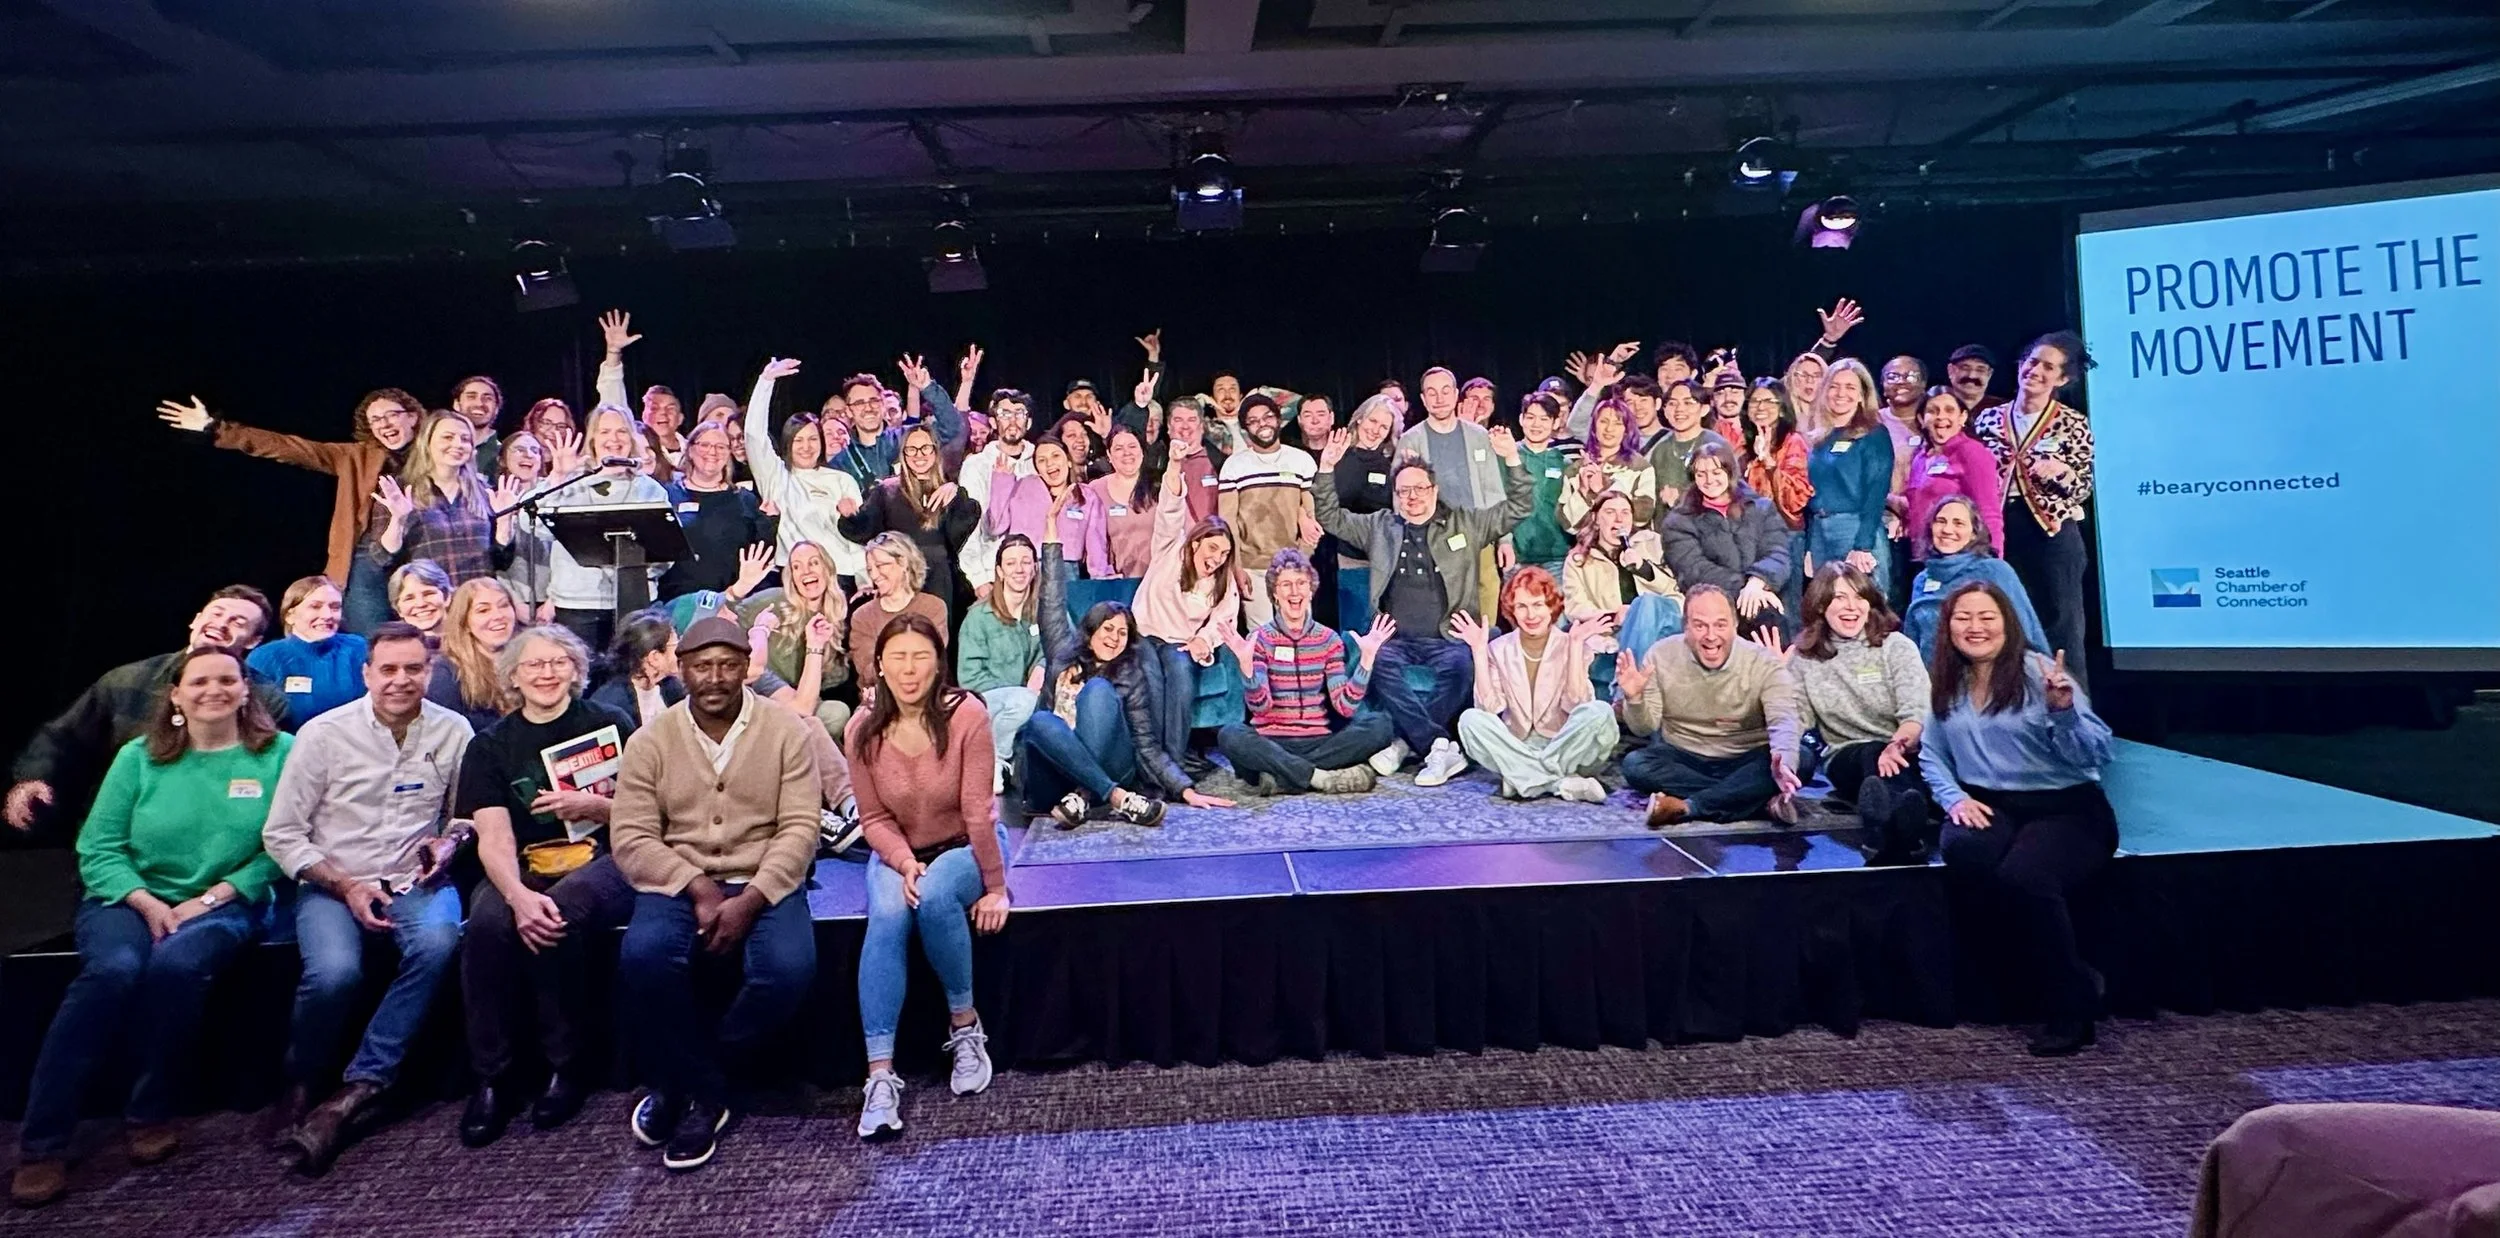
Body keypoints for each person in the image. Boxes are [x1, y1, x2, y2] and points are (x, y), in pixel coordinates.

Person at [9, 647, 290, 1208]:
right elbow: (99, 846)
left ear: (245, 691)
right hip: (125, 897)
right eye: (200, 681)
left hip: (226, 902)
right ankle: (43, 1142)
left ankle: (150, 1110)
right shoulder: (139, 756)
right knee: (111, 972)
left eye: (227, 680)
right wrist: (146, 902)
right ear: (178, 697)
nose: (215, 689)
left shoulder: (280, 753)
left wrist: (208, 899)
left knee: (177, 967)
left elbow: (280, 846)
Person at [259, 623, 473, 1176]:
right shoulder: (324, 734)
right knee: (334, 974)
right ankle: (301, 1082)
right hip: (334, 880)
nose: (401, 680)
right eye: (389, 669)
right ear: (367, 673)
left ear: (430, 671)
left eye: (413, 669)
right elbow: (282, 834)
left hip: (413, 880)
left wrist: (448, 841)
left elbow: (463, 817)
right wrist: (347, 886)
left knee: (438, 942)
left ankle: (359, 1087)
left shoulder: (453, 731)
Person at [610, 616, 822, 1172]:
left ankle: (694, 1076)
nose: (715, 678)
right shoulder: (650, 740)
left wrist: (751, 898)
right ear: (681, 670)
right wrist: (697, 885)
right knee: (645, 957)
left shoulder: (786, 731)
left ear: (745, 668)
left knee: (788, 970)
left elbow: (800, 828)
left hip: (764, 877)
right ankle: (707, 1091)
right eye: (702, 666)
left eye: (728, 664)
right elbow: (631, 836)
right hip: (679, 876)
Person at [451, 625, 639, 1148]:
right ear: (513, 676)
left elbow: (652, 811)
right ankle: (494, 1076)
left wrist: (598, 807)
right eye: (533, 665)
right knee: (488, 922)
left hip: (606, 855)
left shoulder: (610, 723)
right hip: (523, 861)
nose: (547, 673)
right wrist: (516, 895)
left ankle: (566, 1066)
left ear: (577, 670)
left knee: (558, 913)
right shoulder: (490, 746)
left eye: (558, 662)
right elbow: (492, 836)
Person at [1921, 580, 2114, 1056]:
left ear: (2009, 622)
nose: (1975, 627)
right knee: (1966, 851)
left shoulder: (2041, 674)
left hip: (2067, 805)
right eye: (1963, 618)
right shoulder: (1947, 680)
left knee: (2024, 878)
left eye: (1987, 616)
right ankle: (2010, 987)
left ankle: (2074, 1002)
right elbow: (1932, 752)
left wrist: (2064, 713)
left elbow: (2097, 753)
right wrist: (1953, 799)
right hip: (1993, 802)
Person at [849, 613, 1010, 1140]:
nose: (909, 668)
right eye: (898, 657)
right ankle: (879, 1077)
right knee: (890, 913)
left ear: (939, 661)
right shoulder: (861, 730)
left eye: (921, 655)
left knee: (938, 894)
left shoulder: (967, 715)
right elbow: (872, 819)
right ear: (879, 665)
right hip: (900, 851)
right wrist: (901, 861)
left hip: (967, 844)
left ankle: (965, 1027)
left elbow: (975, 809)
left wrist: (995, 887)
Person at [1313, 425, 1534, 784]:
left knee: (1463, 666)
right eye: (1403, 491)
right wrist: (1326, 469)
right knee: (1378, 663)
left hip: (1448, 637)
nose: (1411, 497)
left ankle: (1403, 744)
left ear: (1434, 490)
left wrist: (1511, 458)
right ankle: (1438, 745)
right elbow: (1330, 517)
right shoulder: (1380, 526)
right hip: (1395, 639)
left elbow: (1520, 506)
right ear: (1395, 496)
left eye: (1419, 489)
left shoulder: (1466, 523)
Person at [9, 586, 286, 838]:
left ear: (253, 641)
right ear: (196, 620)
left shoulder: (268, 698)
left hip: (219, 835)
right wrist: (34, 777)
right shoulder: (127, 680)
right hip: (125, 832)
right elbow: (65, 736)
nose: (222, 623)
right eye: (217, 613)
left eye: (238, 622)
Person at [1019, 518, 1231, 826]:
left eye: (1122, 634)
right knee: (1040, 722)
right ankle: (1115, 797)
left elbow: (1146, 744)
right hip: (1053, 780)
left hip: (1108, 766)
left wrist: (1185, 790)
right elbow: (1051, 600)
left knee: (1098, 691)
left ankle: (1087, 795)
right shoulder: (1063, 655)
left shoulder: (1129, 676)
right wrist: (1050, 528)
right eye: (1108, 629)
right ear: (1090, 632)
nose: (1114, 638)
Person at [157, 390, 420, 632]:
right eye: (375, 420)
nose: (384, 424)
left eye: (391, 415)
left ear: (413, 416)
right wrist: (216, 428)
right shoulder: (355, 457)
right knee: (373, 637)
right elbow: (288, 447)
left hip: (426, 546)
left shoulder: (438, 448)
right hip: (368, 557)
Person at [1780, 564, 1934, 859]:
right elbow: (1795, 719)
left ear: (1870, 603)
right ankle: (1908, 828)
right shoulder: (1803, 659)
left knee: (1892, 767)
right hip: (1847, 757)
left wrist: (1897, 745)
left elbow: (1917, 712)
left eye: (1859, 597)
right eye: (1839, 598)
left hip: (1905, 748)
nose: (1851, 607)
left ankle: (1884, 828)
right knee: (1871, 754)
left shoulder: (1896, 647)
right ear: (1821, 605)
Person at [1971, 331, 2097, 689]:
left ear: (2063, 378)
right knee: (2008, 620)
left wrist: (2062, 472)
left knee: (2062, 624)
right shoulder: (1990, 419)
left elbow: (2083, 486)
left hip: (2052, 531)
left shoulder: (2072, 422)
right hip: (2002, 528)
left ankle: (2073, 715)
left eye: (2049, 367)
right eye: (2032, 362)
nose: (2036, 371)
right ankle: (2015, 712)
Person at [1615, 587, 1801, 827]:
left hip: (1747, 757)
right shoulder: (1660, 655)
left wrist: (1784, 764)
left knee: (1800, 761)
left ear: (1735, 625)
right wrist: (1635, 699)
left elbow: (1783, 721)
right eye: (1700, 625)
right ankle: (1755, 797)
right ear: (1686, 627)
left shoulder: (1764, 662)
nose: (1711, 636)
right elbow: (1644, 728)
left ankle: (1688, 807)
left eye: (1720, 625)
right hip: (1685, 757)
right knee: (1636, 765)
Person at [1216, 550, 1395, 795]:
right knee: (1231, 734)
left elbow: (1345, 707)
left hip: (1319, 742)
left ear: (1310, 590)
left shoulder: (1328, 639)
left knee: (1381, 725)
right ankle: (1319, 777)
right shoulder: (1260, 639)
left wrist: (1366, 660)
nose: (1294, 592)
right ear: (1275, 594)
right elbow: (1261, 708)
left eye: (1301, 583)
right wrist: (1247, 668)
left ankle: (1284, 777)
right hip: (1270, 741)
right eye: (1286, 585)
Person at [1451, 568, 1617, 804]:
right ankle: (1559, 783)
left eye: (1538, 604)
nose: (1531, 614)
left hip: (1567, 745)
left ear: (1551, 607)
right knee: (1470, 720)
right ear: (1512, 611)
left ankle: (1524, 778)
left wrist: (1575, 646)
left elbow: (1577, 705)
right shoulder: (1498, 648)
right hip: (1518, 745)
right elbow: (1489, 708)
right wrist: (1479, 651)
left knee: (1600, 712)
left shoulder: (1573, 642)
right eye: (1522, 606)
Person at [1135, 467, 1248, 775]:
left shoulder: (1222, 581)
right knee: (1152, 678)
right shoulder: (1170, 549)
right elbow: (1170, 510)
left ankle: (1173, 759)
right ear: (1196, 543)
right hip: (1143, 635)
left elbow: (1225, 620)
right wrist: (1174, 464)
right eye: (1213, 548)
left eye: (1225, 553)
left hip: (1177, 641)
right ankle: (1153, 758)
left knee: (1181, 672)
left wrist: (1202, 640)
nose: (1218, 558)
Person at [535, 407, 672, 649]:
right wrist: (557, 476)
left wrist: (637, 571)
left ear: (631, 438)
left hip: (634, 604)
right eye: (605, 431)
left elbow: (668, 550)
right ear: (593, 440)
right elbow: (537, 528)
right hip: (578, 605)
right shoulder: (571, 482)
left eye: (621, 431)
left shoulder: (649, 489)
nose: (614, 439)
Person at [743, 359, 868, 590]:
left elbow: (857, 540)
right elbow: (753, 436)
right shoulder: (775, 477)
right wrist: (766, 382)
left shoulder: (842, 480)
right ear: (787, 443)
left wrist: (863, 581)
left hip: (840, 577)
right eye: (798, 440)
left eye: (812, 439)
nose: (806, 446)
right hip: (793, 580)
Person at [839, 424, 981, 624]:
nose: (918, 455)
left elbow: (958, 536)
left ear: (935, 451)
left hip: (941, 581)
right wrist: (849, 516)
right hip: (900, 579)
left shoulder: (949, 491)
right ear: (903, 454)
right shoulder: (887, 491)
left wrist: (956, 497)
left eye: (925, 448)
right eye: (911, 449)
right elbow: (863, 530)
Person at [1660, 441, 1792, 640]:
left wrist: (1758, 581)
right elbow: (1695, 570)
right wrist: (1745, 589)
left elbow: (1777, 551)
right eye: (1701, 474)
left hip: (1760, 595)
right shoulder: (1679, 521)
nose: (1708, 480)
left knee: (1770, 620)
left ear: (1730, 472)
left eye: (1716, 472)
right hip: (1712, 603)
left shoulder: (1761, 508)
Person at [369, 411, 518, 586]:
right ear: (427, 443)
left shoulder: (486, 492)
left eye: (465, 439)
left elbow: (502, 562)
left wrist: (504, 522)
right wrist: (398, 521)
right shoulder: (400, 491)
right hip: (428, 601)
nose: (457, 444)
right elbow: (382, 559)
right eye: (448, 437)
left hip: (476, 603)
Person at [1903, 496, 2049, 661]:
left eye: (1958, 523)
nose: (1947, 530)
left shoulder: (1995, 571)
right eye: (1941, 521)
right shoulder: (1922, 580)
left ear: (1974, 533)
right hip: (1931, 680)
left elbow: (2026, 629)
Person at [1216, 394, 1317, 627]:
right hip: (1253, 568)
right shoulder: (1234, 466)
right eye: (1253, 420)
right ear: (1245, 429)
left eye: (1268, 417)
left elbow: (1311, 517)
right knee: (1260, 638)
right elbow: (1228, 520)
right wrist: (1236, 567)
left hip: (1293, 566)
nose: (1262, 424)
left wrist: (1301, 560)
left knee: (1299, 631)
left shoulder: (1301, 461)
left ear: (1278, 420)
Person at [1804, 359, 1897, 603]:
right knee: (1825, 609)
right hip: (1821, 531)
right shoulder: (1820, 438)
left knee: (1864, 607)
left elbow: (1876, 492)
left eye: (1849, 387)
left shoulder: (1873, 434)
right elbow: (1814, 495)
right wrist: (1809, 548)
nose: (1840, 393)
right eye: (1834, 386)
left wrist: (1863, 545)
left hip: (1856, 529)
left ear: (1861, 395)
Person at [957, 536, 1045, 788]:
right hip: (985, 701)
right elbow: (970, 677)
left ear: (1034, 568)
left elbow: (1060, 647)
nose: (1019, 569)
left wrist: (1041, 667)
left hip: (1028, 699)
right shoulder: (979, 616)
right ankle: (996, 760)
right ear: (1000, 571)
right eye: (1011, 563)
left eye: (1026, 562)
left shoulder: (1040, 609)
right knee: (1026, 701)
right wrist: (1020, 692)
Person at [657, 419, 774, 602]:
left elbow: (762, 553)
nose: (712, 452)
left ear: (729, 453)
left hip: (732, 603)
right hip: (677, 604)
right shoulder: (667, 495)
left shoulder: (745, 500)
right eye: (705, 444)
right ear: (690, 449)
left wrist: (771, 522)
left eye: (721, 446)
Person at [745, 540, 853, 738]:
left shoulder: (836, 615)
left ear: (827, 569)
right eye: (797, 566)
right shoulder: (772, 600)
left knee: (836, 713)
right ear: (791, 577)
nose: (806, 571)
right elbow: (725, 615)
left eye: (813, 563)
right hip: (759, 688)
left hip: (800, 699)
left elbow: (832, 680)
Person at [1560, 491, 1680, 663]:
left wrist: (1643, 568)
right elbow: (1575, 607)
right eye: (1610, 512)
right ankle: (1630, 676)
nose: (1619, 519)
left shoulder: (1652, 543)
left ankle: (1627, 677)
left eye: (1625, 513)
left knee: (1645, 604)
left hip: (1661, 623)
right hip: (1614, 632)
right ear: (1596, 518)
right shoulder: (1578, 560)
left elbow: (1674, 590)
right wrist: (1614, 616)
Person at [827, 357, 968, 487]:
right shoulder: (841, 463)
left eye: (874, 400)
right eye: (859, 403)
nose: (868, 408)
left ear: (883, 404)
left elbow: (952, 426)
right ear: (849, 411)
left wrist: (927, 387)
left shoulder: (908, 436)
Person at [250, 575, 370, 727]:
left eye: (335, 607)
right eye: (315, 606)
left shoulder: (358, 647)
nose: (327, 615)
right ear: (290, 615)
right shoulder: (265, 657)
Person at [1902, 387, 2006, 561]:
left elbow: (1989, 511)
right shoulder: (1920, 457)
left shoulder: (1972, 452)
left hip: (1962, 554)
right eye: (1933, 411)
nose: (1941, 416)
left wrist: (1994, 560)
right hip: (1924, 555)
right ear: (1921, 419)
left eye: (1949, 410)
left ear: (1962, 417)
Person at [988, 439, 1113, 580]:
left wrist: (1101, 578)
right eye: (1042, 460)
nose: (1049, 463)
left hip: (1067, 571)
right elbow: (995, 527)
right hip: (1025, 568)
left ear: (1069, 461)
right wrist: (1002, 481)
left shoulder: (1087, 496)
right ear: (1037, 469)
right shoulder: (1023, 486)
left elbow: (1096, 545)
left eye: (1055, 456)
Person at [957, 389, 1037, 599]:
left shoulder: (1040, 461)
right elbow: (970, 526)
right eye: (1005, 414)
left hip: (1036, 573)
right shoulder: (977, 466)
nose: (1013, 421)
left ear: (1028, 422)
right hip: (993, 572)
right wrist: (978, 578)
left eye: (1019, 413)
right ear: (993, 422)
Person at [847, 533, 951, 694]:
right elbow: (868, 671)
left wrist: (887, 660)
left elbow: (929, 660)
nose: (874, 575)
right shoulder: (862, 616)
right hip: (880, 699)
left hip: (926, 694)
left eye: (881, 565)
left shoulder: (933, 608)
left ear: (903, 562)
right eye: (870, 569)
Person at [427, 577, 521, 729]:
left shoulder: (531, 657)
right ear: (465, 622)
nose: (498, 616)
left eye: (504, 605)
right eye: (483, 610)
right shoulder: (447, 674)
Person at [1506, 392, 1583, 579]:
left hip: (1556, 558)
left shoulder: (1564, 463)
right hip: (1515, 557)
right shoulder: (1507, 456)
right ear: (1521, 419)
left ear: (1555, 423)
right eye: (1530, 417)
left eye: (1544, 419)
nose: (1536, 425)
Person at [1559, 397, 1658, 529]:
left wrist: (1603, 487)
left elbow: (1642, 516)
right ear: (1594, 427)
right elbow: (1568, 525)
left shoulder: (1640, 468)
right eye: (1603, 422)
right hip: (1588, 546)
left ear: (1626, 430)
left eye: (1617, 423)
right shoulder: (1575, 470)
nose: (1609, 429)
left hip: (1629, 545)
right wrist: (1583, 492)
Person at [492, 430, 558, 619]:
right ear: (502, 459)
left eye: (534, 450)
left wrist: (551, 603)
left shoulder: (555, 494)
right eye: (519, 450)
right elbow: (493, 560)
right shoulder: (492, 499)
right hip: (511, 601)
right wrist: (514, 603)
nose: (528, 455)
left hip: (554, 599)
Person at [1738, 379, 1813, 535]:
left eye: (1769, 401)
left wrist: (1769, 462)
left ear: (1782, 409)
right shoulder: (1742, 445)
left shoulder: (1793, 442)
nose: (1760, 407)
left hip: (1783, 532)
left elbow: (1796, 498)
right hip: (1750, 533)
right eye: (1754, 401)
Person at [588, 610, 682, 728]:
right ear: (654, 658)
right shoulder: (610, 705)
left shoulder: (672, 687)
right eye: (675, 644)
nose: (681, 650)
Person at [1648, 379, 1733, 509]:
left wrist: (1682, 498)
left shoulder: (1716, 445)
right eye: (1672, 403)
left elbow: (1732, 491)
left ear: (1704, 409)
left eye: (1688, 403)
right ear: (1665, 411)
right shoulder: (1660, 449)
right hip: (1667, 526)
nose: (1679, 409)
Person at [1089, 428, 1158, 577]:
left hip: (1159, 580)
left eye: (1132, 446)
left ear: (1142, 450)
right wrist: (1103, 574)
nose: (1127, 453)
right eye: (1119, 448)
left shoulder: (1160, 484)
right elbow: (1094, 540)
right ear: (1109, 455)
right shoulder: (1096, 489)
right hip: (1117, 582)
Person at [450, 375, 505, 479]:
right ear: (457, 404)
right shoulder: (438, 449)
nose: (479, 403)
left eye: (487, 398)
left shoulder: (504, 455)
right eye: (471, 396)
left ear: (496, 408)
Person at [387, 559, 453, 638]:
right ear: (398, 609)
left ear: (446, 597)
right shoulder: (391, 647)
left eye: (428, 594)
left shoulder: (469, 639)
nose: (420, 604)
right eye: (409, 598)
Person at [1945, 343, 1999, 413]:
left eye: (1980, 370)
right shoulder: (1934, 405)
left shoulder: (2003, 411)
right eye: (1965, 368)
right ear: (1950, 371)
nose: (1971, 375)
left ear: (1989, 374)